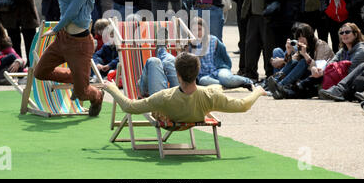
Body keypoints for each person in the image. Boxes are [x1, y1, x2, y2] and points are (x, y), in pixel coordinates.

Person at [33, 0, 104, 117]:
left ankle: (97, 95)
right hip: (63, 39)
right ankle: (76, 78)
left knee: (81, 94)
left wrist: (56, 28)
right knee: (40, 71)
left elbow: (73, 9)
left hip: (80, 43)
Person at [100, 52, 266, 124]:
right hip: (189, 99)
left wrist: (112, 88)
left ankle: (161, 52)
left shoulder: (163, 97)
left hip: (160, 101)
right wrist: (258, 91)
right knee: (166, 61)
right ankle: (164, 52)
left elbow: (129, 106)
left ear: (178, 75)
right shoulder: (209, 95)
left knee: (153, 61)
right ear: (198, 72)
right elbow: (243, 105)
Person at [266, 23, 334, 99]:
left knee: (303, 62)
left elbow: (318, 69)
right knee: (278, 51)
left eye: (302, 37)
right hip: (308, 75)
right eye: (298, 38)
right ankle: (276, 81)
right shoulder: (303, 46)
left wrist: (305, 54)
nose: (300, 40)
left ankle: (280, 85)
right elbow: (292, 62)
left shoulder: (321, 46)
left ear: (309, 36)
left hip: (319, 78)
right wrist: (288, 53)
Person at [189, 17, 253, 90]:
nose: (197, 32)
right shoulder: (190, 45)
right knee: (203, 81)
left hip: (219, 69)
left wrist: (225, 67)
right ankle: (228, 85)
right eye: (194, 30)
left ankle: (248, 81)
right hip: (205, 75)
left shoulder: (213, 40)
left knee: (226, 79)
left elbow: (225, 58)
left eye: (199, 29)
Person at [318, 22, 364, 101]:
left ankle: (338, 90)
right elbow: (330, 64)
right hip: (340, 79)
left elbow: (350, 72)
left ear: (355, 34)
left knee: (363, 65)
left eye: (347, 32)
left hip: (353, 84)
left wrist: (336, 67)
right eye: (341, 33)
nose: (344, 34)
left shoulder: (361, 51)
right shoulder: (342, 50)